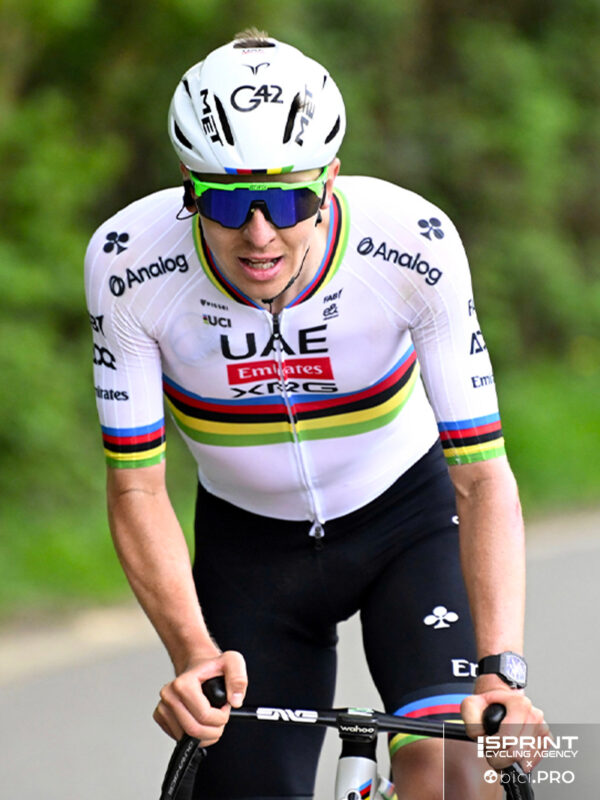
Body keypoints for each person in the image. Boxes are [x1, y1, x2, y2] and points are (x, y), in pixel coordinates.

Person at [85, 28, 546, 800]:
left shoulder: (411, 242)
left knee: (456, 777)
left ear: (331, 180)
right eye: (225, 201)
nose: (258, 234)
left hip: (408, 524)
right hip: (250, 555)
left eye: (288, 200)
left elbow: (482, 476)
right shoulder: (130, 262)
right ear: (188, 186)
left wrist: (502, 672)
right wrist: (192, 652)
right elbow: (135, 485)